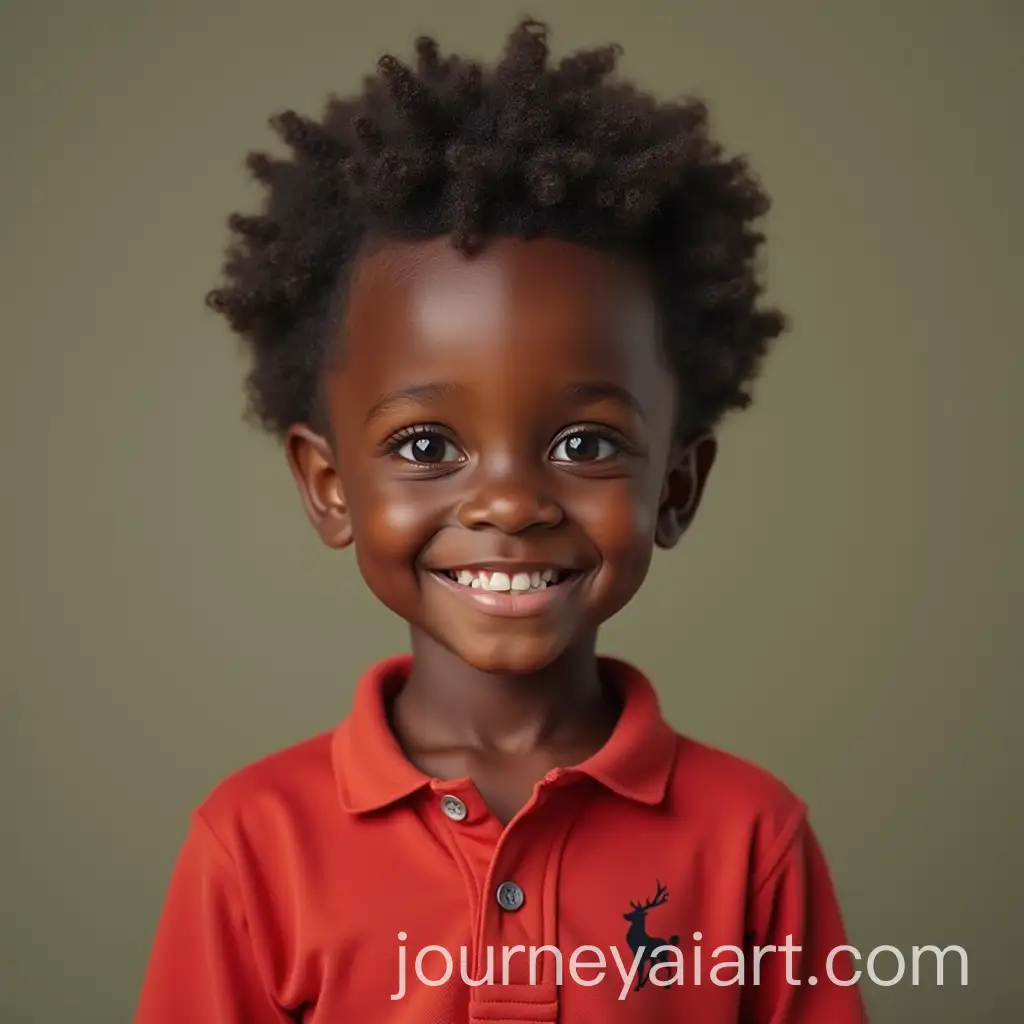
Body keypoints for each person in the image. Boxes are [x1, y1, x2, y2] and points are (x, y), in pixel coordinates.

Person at [134, 18, 867, 1023]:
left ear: (676, 487)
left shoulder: (751, 837)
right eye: (428, 446)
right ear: (327, 484)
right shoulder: (255, 842)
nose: (512, 504)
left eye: (583, 445)